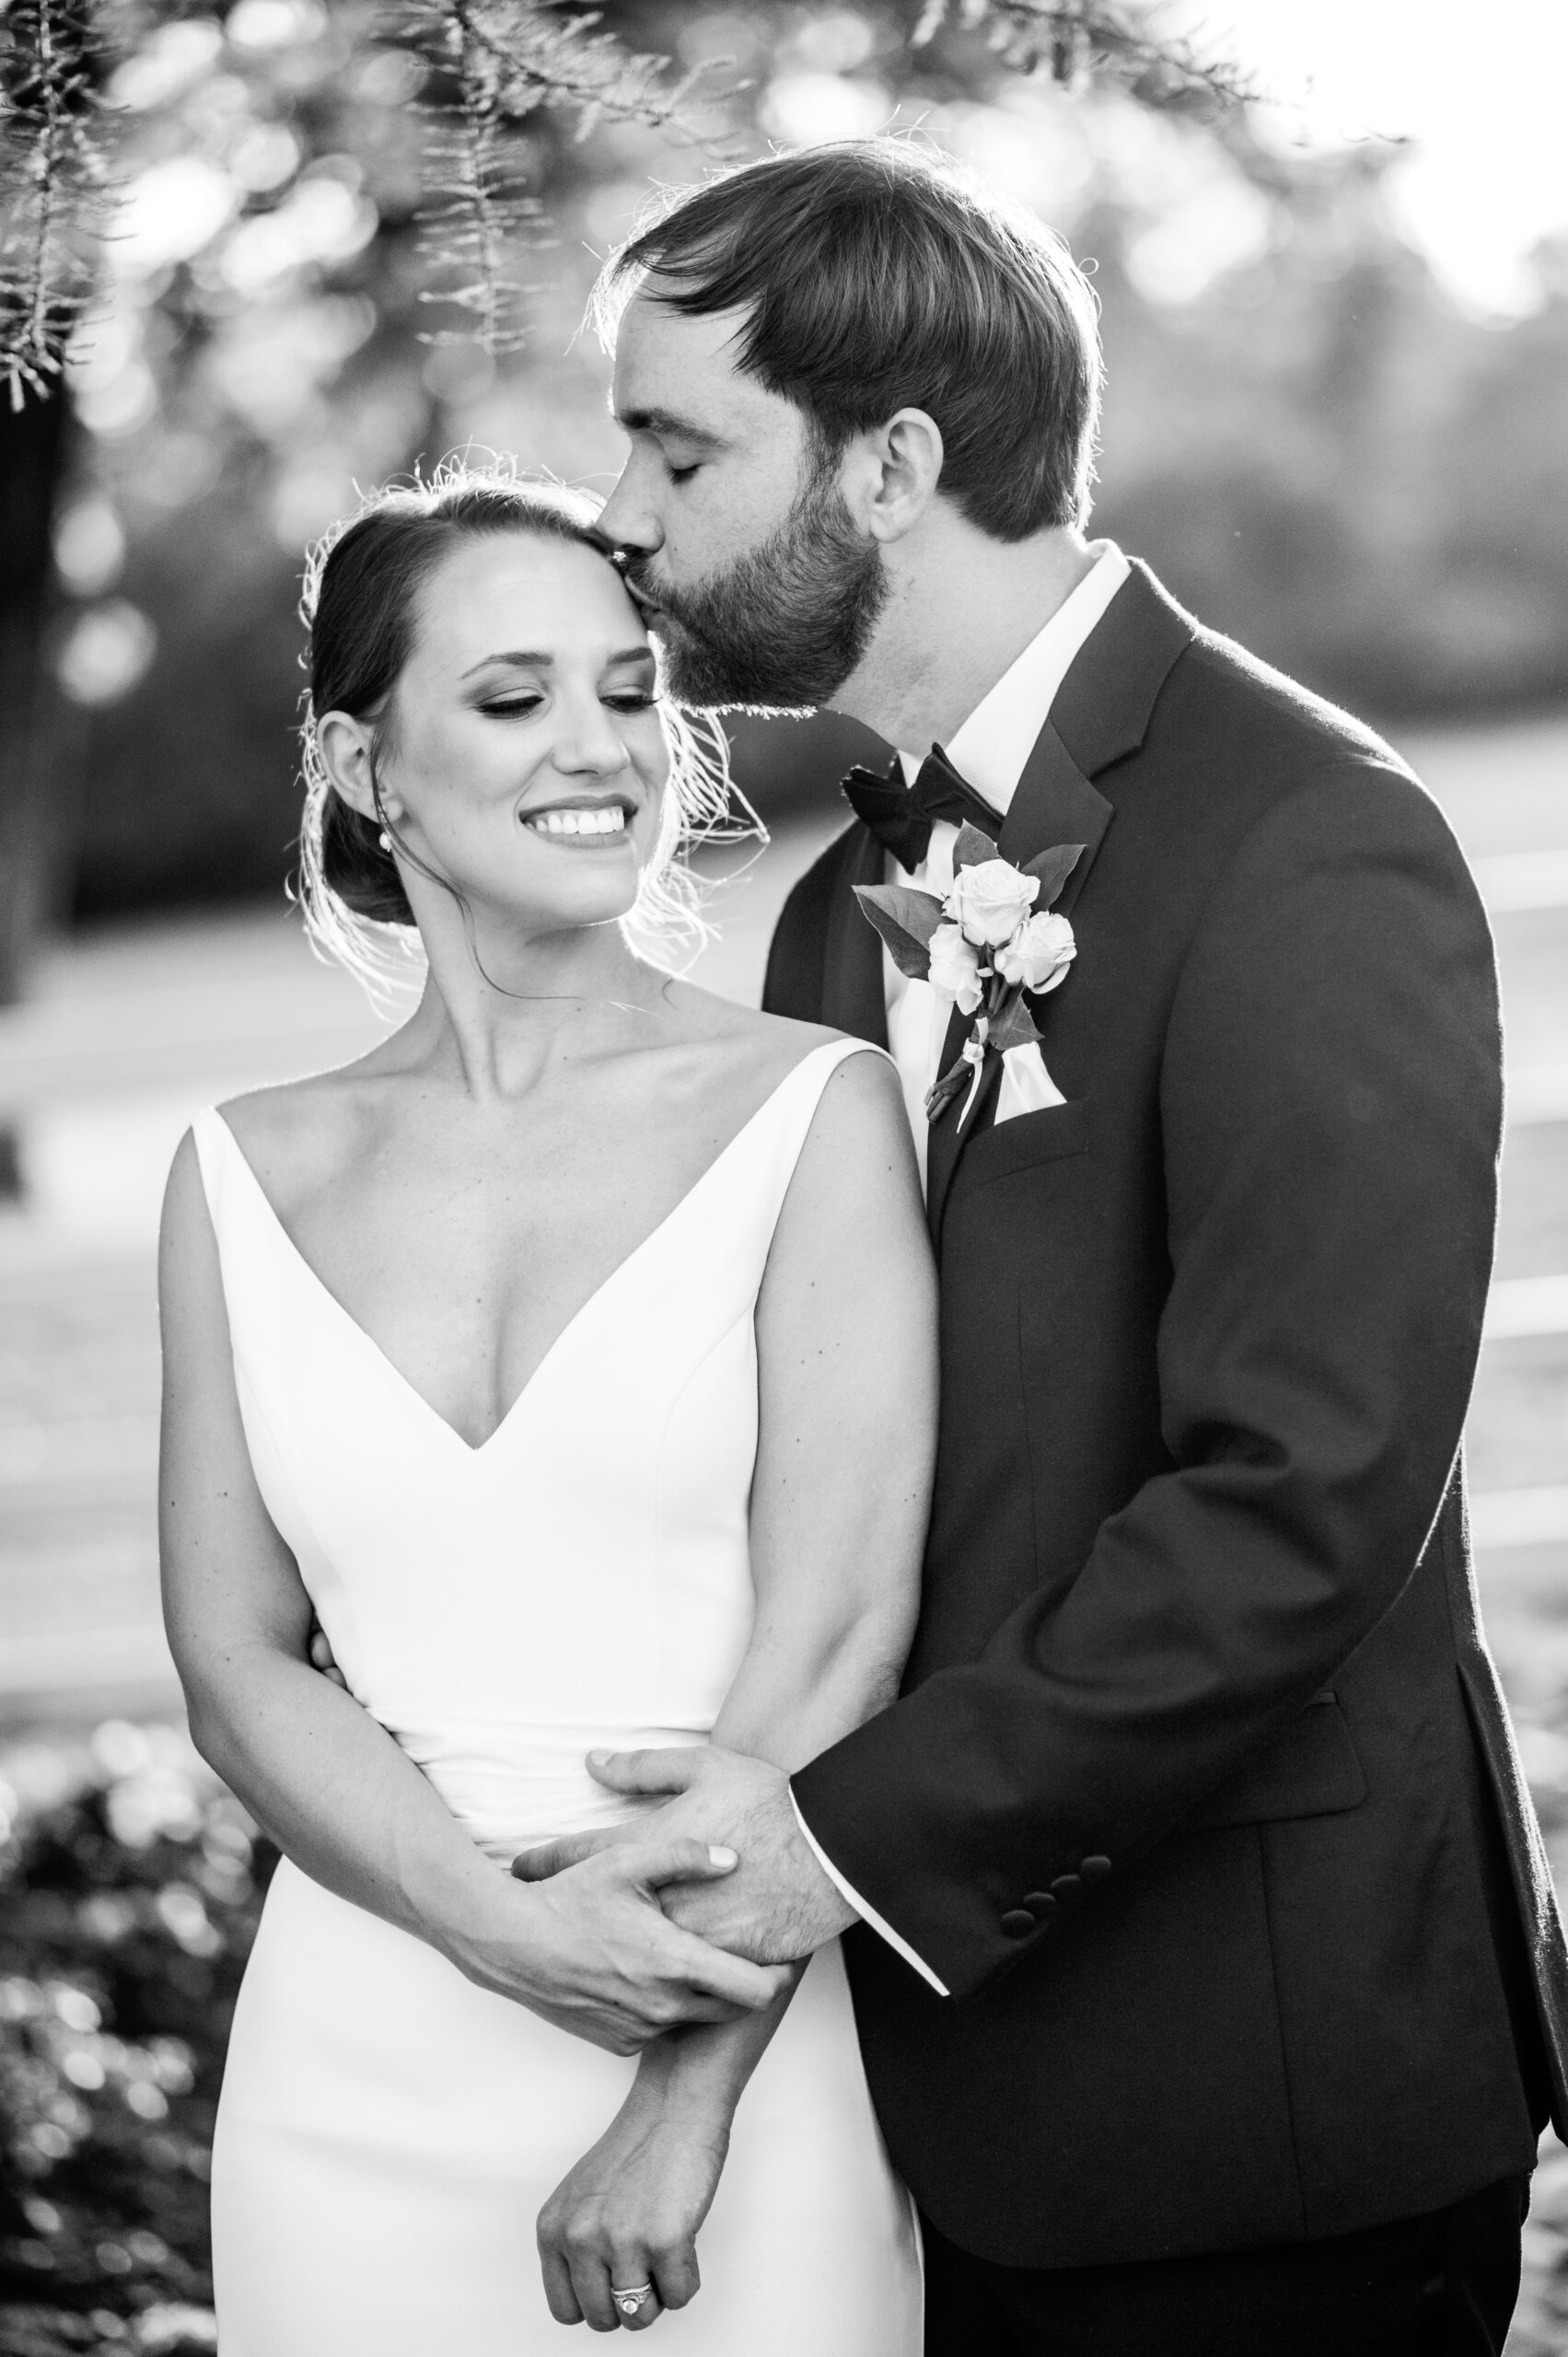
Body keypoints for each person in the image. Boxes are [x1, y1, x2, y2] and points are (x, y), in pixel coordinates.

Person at [513, 140, 1568, 2352]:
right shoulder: (838, 901)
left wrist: (837, 1849)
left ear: (891, 462)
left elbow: (1301, 1502)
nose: (619, 513)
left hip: (1251, 2087)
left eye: (678, 444)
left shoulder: (1305, 835)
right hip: (936, 2101)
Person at [157, 466, 932, 2353]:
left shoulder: (811, 1111)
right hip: (354, 2064)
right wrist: (479, 1912)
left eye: (626, 691)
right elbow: (235, 1661)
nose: (598, 750)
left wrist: (687, 2076)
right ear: (364, 763)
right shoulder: (237, 1169)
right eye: (511, 700)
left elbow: (839, 1640)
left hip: (727, 2039)